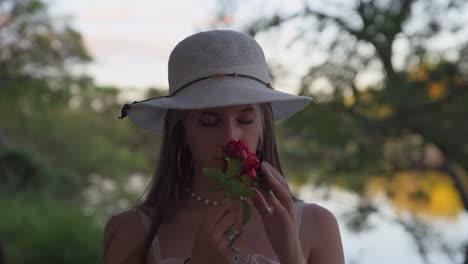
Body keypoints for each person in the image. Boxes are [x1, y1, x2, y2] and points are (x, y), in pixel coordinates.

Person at [101, 30, 344, 264]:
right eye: (209, 121)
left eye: (245, 119)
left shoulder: (316, 224)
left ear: (263, 127)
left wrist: (293, 256)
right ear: (182, 131)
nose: (230, 136)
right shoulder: (131, 231)